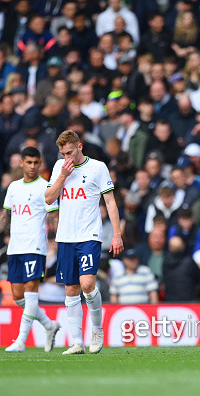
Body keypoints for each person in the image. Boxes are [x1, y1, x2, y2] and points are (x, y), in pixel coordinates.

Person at [45, 130, 124, 355]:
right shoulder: (59, 168)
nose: (66, 157)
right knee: (70, 288)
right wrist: (62, 175)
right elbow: (49, 198)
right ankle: (77, 342)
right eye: (63, 153)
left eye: (70, 152)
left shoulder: (97, 168)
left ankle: (97, 330)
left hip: (89, 235)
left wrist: (117, 234)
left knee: (87, 284)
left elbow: (110, 202)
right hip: (66, 237)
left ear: (80, 147)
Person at [0, 147, 61, 353]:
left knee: (31, 291)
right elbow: (6, 216)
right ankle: (49, 325)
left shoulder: (46, 187)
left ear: (40, 163)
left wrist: (60, 238)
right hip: (15, 247)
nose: (33, 166)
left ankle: (20, 342)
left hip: (35, 246)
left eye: (36, 162)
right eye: (29, 162)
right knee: (18, 297)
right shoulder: (13, 187)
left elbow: (54, 217)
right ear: (21, 163)